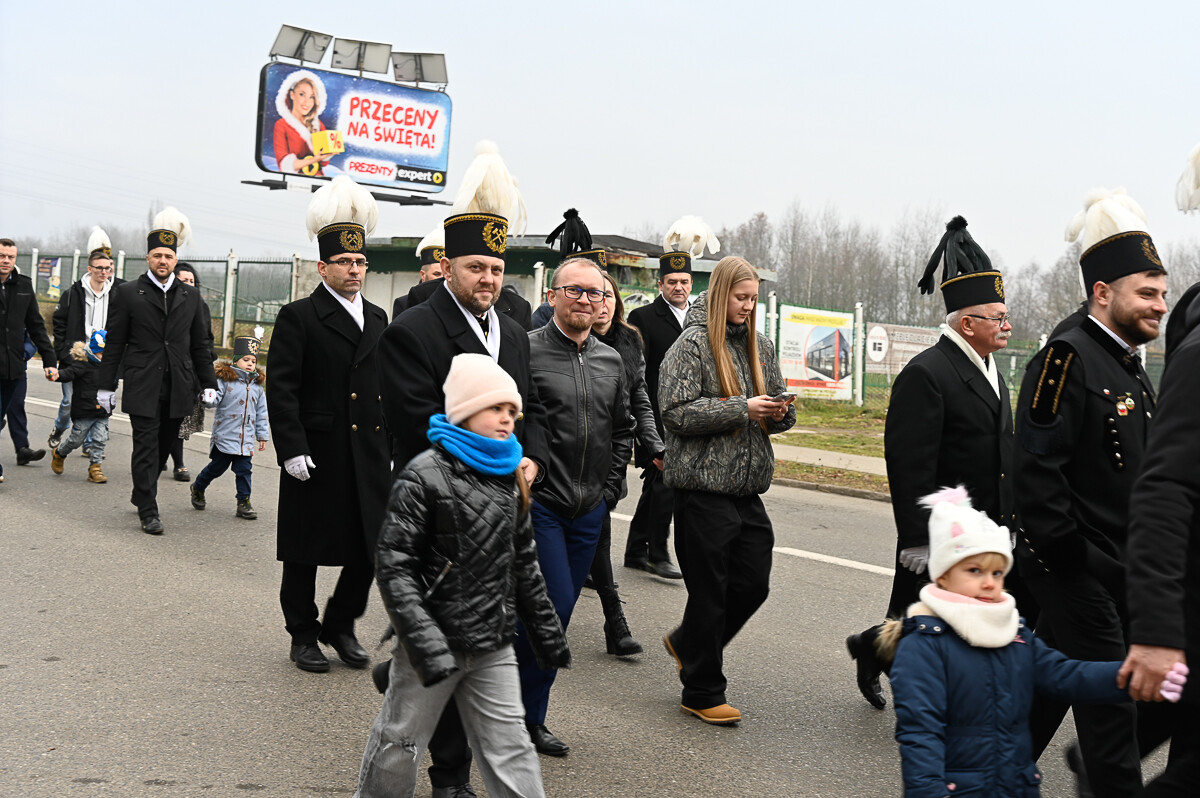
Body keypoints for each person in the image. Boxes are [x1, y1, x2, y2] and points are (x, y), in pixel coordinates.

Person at [378, 147, 546, 798]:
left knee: (484, 643)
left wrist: (532, 457)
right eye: (477, 266)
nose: (489, 278)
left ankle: (462, 769)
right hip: (437, 518)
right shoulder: (414, 330)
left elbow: (531, 414)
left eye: (498, 268)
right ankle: (445, 775)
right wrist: (500, 464)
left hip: (502, 516)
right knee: (444, 646)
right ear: (448, 267)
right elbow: (418, 424)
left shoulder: (515, 328)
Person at [882, 486, 1186, 798]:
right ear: (943, 576)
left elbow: (1067, 675)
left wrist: (1131, 678)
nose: (989, 582)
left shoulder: (1012, 636)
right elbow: (921, 733)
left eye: (998, 572)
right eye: (974, 571)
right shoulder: (923, 646)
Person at [356, 353, 568, 798]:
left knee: (511, 747)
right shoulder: (424, 475)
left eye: (513, 412)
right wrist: (425, 643)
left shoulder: (510, 477)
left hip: (493, 641)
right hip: (430, 641)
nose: (507, 419)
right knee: (400, 742)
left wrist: (547, 633)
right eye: (496, 408)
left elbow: (524, 564)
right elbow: (395, 568)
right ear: (465, 410)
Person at [1015, 188, 1170, 796]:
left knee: (1057, 683)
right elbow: (1037, 482)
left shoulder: (1129, 364)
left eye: (1163, 293)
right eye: (1147, 293)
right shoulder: (1064, 360)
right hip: (1075, 566)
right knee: (1111, 713)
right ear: (1102, 294)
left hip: (1117, 564)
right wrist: (1086, 565)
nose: (1161, 306)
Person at [847, 216, 1022, 710]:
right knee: (929, 617)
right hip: (942, 529)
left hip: (984, 525)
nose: (1007, 326)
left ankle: (871, 647)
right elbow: (908, 463)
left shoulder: (993, 371)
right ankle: (919, 689)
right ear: (967, 323)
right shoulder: (928, 373)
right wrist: (918, 537)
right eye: (997, 317)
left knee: (932, 615)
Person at [658, 255, 795, 726]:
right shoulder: (691, 345)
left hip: (747, 490)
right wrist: (741, 408)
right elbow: (675, 414)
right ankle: (702, 690)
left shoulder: (761, 344)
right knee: (710, 593)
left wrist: (780, 413)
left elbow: (774, 403)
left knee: (753, 584)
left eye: (754, 298)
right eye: (741, 298)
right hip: (701, 490)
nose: (749, 306)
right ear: (720, 295)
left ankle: (688, 642)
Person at [267, 176, 390, 674]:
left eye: (361, 262)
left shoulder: (379, 317)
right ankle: (303, 635)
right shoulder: (299, 316)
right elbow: (283, 387)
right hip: (317, 449)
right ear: (323, 267)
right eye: (345, 262)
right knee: (305, 549)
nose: (355, 270)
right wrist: (291, 448)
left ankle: (340, 624)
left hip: (368, 453)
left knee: (370, 546)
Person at [516, 256, 633, 755]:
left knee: (551, 619)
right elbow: (513, 419)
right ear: (553, 296)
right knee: (554, 607)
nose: (587, 300)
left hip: (589, 510)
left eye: (596, 293)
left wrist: (609, 489)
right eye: (576, 291)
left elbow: (623, 427)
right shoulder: (526, 350)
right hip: (540, 505)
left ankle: (528, 717)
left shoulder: (611, 360)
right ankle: (514, 716)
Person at [96, 209, 216, 534]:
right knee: (146, 446)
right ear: (148, 257)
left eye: (169, 255)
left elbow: (199, 345)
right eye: (157, 255)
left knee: (164, 447)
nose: (163, 260)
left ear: (176, 259)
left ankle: (140, 491)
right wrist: (105, 387)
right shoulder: (127, 293)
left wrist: (208, 382)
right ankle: (149, 509)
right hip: (143, 382)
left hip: (179, 384)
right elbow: (115, 344)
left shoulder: (190, 296)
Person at [586, 268, 664, 657]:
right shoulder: (567, 340)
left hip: (610, 457)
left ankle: (612, 624)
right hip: (566, 457)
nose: (602, 305)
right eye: (594, 296)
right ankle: (615, 623)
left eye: (609, 297)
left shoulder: (629, 342)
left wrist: (655, 446)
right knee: (592, 542)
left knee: (597, 537)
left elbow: (640, 400)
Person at [625, 229, 707, 579]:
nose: (679, 287)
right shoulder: (643, 318)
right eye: (672, 281)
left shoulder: (700, 319)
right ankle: (658, 553)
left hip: (690, 413)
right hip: (655, 416)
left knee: (657, 485)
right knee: (664, 483)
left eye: (685, 281)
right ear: (660, 284)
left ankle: (634, 550)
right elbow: (637, 372)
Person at [49, 226, 122, 454]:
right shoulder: (73, 293)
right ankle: (60, 428)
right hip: (77, 356)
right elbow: (59, 326)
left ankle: (90, 445)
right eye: (99, 268)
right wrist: (63, 353)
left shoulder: (119, 293)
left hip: (104, 357)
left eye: (108, 268)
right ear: (90, 269)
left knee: (99, 400)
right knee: (70, 402)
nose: (104, 272)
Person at [1, 237, 59, 484]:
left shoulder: (23, 285)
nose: (5, 261)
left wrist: (49, 358)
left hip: (12, 366)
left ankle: (21, 448)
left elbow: (36, 325)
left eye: (10, 257)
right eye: (1, 256)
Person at [190, 336, 268, 520]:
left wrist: (262, 435)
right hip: (225, 437)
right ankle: (198, 486)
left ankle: (244, 502)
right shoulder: (225, 381)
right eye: (246, 360)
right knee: (217, 468)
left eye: (253, 361)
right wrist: (206, 397)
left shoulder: (257, 388)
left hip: (245, 440)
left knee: (244, 470)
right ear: (235, 361)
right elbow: (213, 401)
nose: (250, 364)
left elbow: (261, 413)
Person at [160, 262, 215, 482]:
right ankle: (173, 461)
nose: (188, 285)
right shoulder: (164, 304)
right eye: (184, 280)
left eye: (192, 281)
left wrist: (206, 374)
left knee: (180, 421)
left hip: (190, 372)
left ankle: (174, 460)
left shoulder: (200, 306)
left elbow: (206, 341)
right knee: (165, 419)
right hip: (167, 371)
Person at [49, 330, 110, 483]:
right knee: (76, 440)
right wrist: (57, 375)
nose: (105, 357)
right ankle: (60, 454)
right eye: (101, 353)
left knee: (100, 440)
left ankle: (95, 468)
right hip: (84, 411)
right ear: (92, 352)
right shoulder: (82, 365)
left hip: (103, 411)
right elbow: (68, 373)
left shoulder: (109, 368)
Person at [273, 70, 330, 177]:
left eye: (312, 97)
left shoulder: (318, 125)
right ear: (292, 94)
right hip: (294, 179)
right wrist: (314, 159)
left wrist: (328, 153)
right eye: (302, 94)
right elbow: (284, 165)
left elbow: (324, 163)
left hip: (318, 181)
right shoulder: (282, 125)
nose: (307, 102)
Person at [2, 332, 46, 466]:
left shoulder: (22, 311)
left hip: (17, 367)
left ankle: (22, 449)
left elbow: (33, 338)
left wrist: (24, 353)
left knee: (17, 406)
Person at [392, 225, 444, 319]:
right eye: (436, 274)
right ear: (423, 275)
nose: (442, 279)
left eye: (445, 274)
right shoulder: (403, 304)